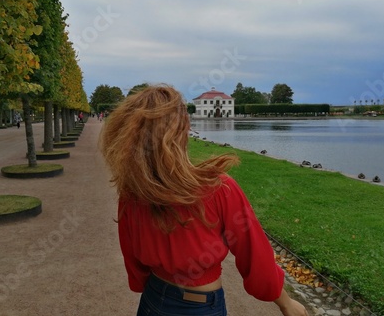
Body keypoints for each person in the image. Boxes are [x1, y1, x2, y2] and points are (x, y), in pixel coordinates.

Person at [99, 85, 308, 316]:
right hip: (199, 306)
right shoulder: (218, 188)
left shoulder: (133, 191)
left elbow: (132, 254)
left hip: (152, 299)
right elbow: (254, 254)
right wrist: (285, 302)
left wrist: (145, 283)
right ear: (182, 130)